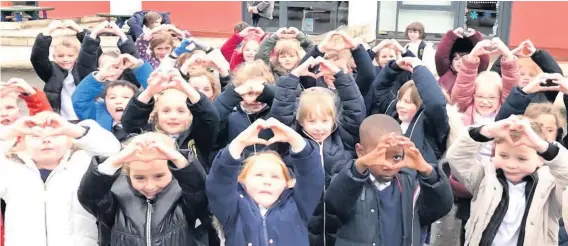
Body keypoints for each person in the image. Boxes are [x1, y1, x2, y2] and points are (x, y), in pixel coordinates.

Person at [325, 114, 453, 245]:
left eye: (396, 157)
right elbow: (335, 203)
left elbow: (440, 207)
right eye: (380, 155)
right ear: (361, 151)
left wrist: (427, 171)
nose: (388, 165)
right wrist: (359, 166)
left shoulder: (411, 185)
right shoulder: (350, 181)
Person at [0, 111, 121, 246]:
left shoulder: (83, 164)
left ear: (69, 141)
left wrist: (73, 129)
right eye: (35, 136)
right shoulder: (10, 169)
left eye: (56, 135)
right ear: (23, 142)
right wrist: (11, 130)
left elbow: (113, 151)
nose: (46, 140)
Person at [446, 115, 568, 245]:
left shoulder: (551, 187)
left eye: (522, 159)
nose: (511, 164)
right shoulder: (485, 177)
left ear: (540, 159)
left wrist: (542, 146)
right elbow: (457, 157)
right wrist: (486, 131)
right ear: (494, 152)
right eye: (503, 155)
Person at [206, 118, 325, 245]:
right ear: (242, 181)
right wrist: (239, 143)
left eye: (275, 177)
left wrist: (295, 139)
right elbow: (219, 183)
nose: (267, 182)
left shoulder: (297, 206)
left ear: (287, 183)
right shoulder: (234, 210)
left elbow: (312, 175)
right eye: (259, 175)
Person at [77, 132, 208, 246]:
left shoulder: (182, 196)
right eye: (140, 178)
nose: (150, 186)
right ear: (128, 174)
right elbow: (90, 196)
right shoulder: (116, 197)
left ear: (173, 169)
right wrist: (116, 160)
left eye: (159, 176)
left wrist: (177, 157)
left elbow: (199, 188)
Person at [30, 20, 87, 121]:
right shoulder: (51, 71)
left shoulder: (84, 69)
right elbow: (37, 58)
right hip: (60, 119)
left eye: (70, 55)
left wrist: (79, 30)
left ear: (77, 56)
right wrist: (48, 31)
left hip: (85, 118)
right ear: (54, 57)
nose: (65, 59)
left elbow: (93, 52)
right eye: (61, 56)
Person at [435, 27, 489, 93]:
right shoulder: (446, 74)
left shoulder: (477, 75)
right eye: (456, 59)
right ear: (451, 65)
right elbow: (441, 57)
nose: (460, 62)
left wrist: (475, 38)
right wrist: (451, 36)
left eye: (464, 58)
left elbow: (483, 57)